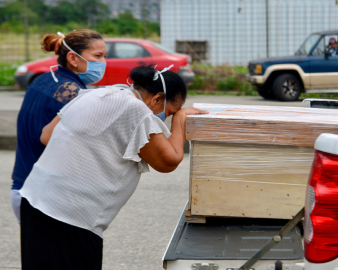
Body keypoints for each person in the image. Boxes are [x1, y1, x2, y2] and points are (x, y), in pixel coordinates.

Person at [19, 65, 208, 269]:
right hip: (71, 219)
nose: (167, 118)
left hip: (34, 201)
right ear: (157, 99)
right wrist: (179, 121)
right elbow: (168, 161)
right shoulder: (137, 110)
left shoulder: (96, 93)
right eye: (170, 112)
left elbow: (47, 135)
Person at [11, 30, 107, 224]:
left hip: (21, 188)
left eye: (104, 56)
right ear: (73, 57)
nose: (103, 62)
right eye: (98, 56)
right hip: (45, 198)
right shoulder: (74, 93)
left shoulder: (43, 80)